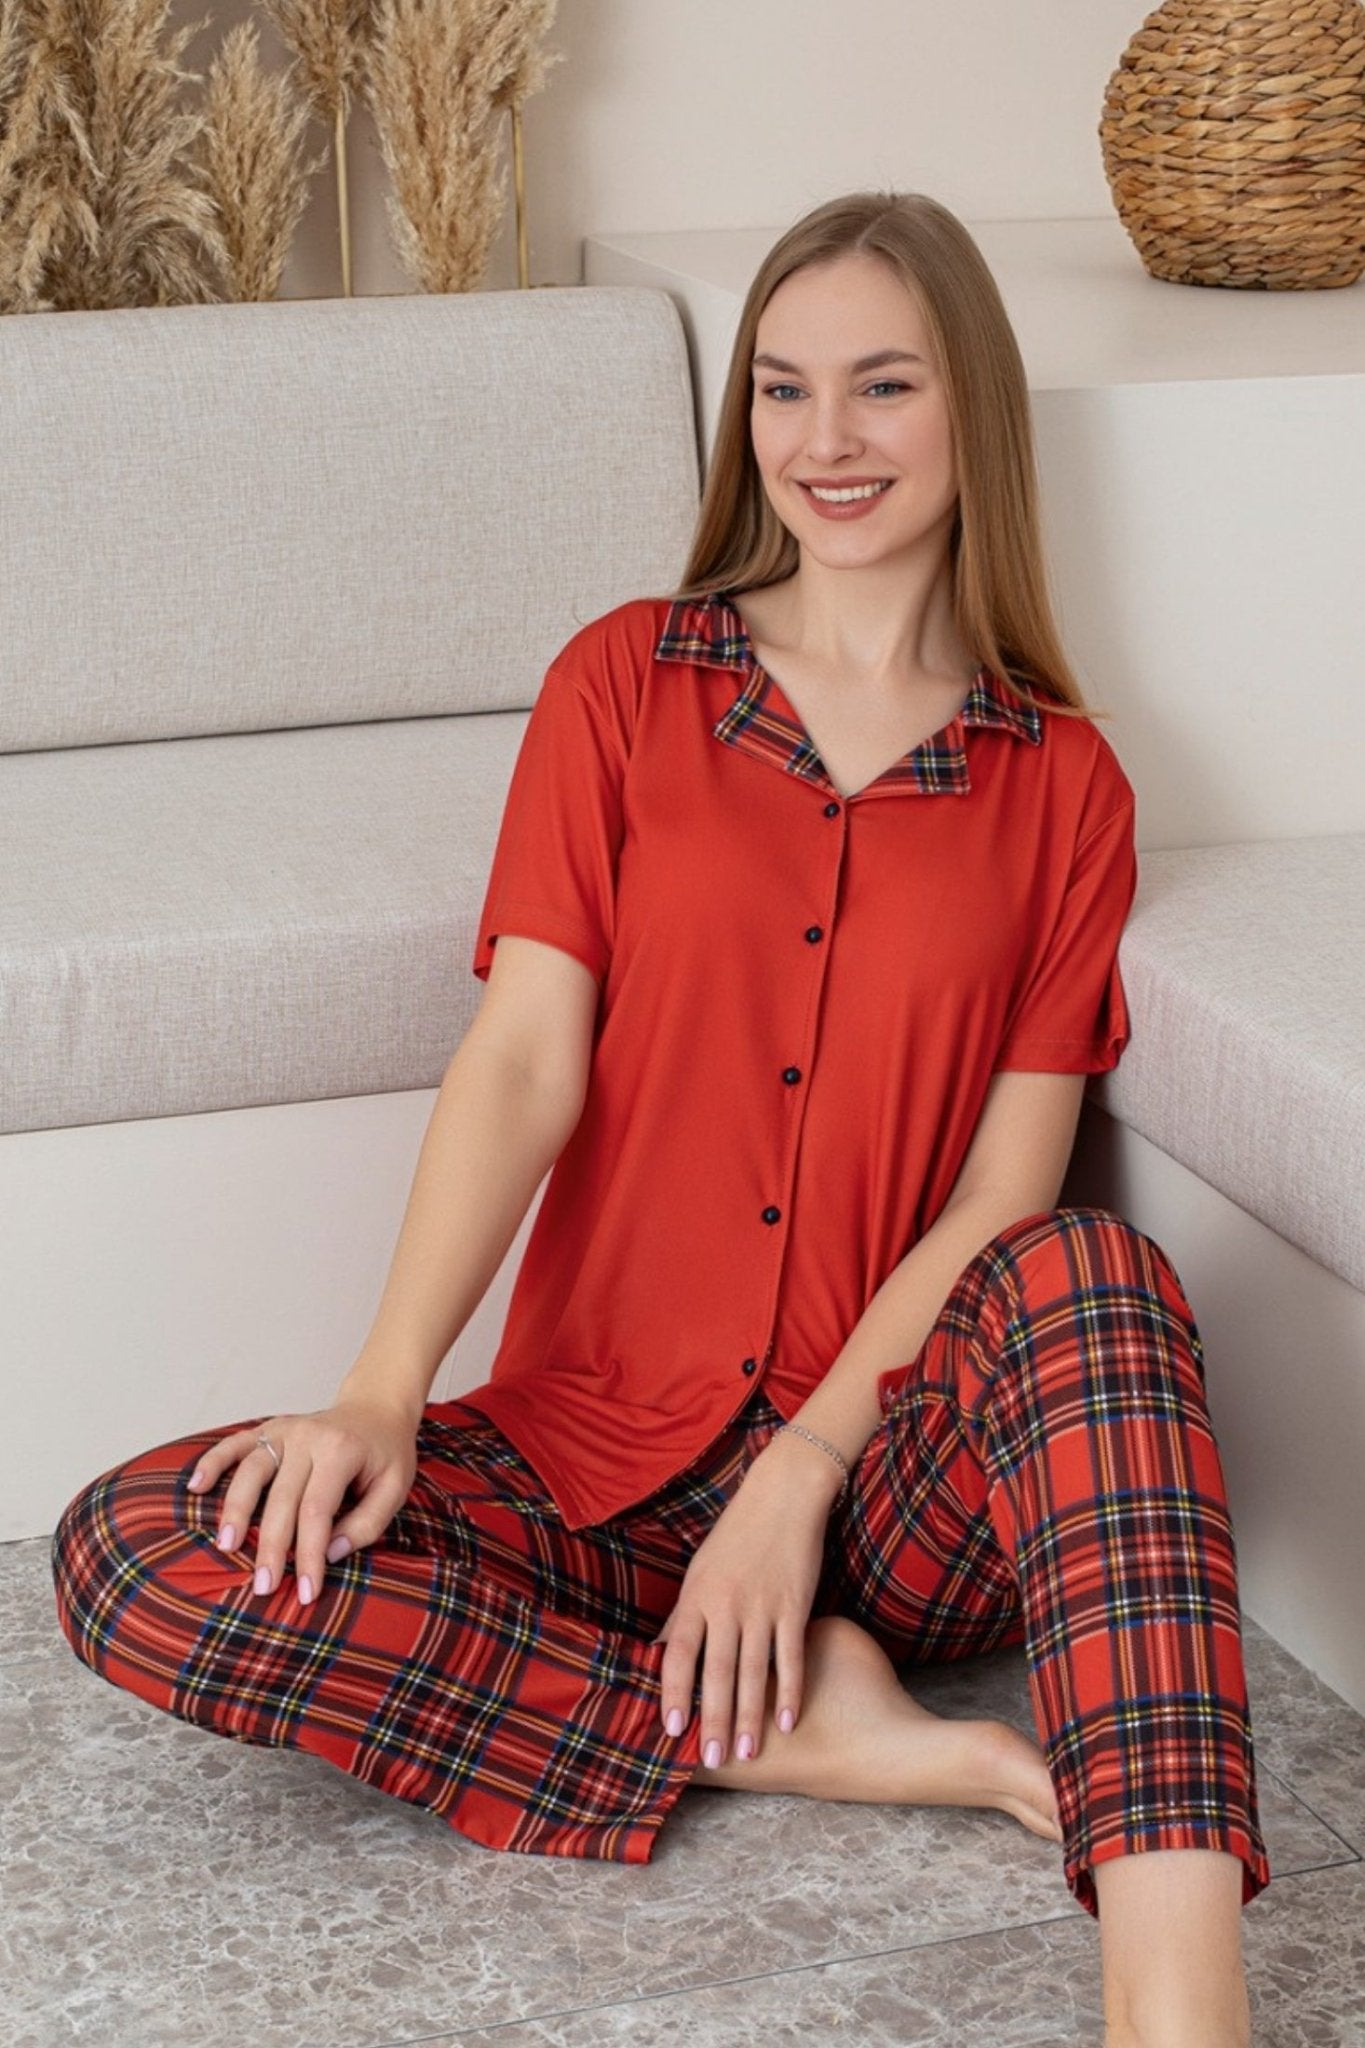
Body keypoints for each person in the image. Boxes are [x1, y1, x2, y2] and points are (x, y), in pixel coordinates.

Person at [52, 192, 1268, 2047]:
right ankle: (805, 1739)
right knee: (146, 1546)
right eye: (782, 389)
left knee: (1090, 1274)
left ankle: (1180, 2009)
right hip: (590, 1467)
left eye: (882, 385)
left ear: (973, 406)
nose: (824, 439)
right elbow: (523, 1063)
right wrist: (381, 1391)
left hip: (884, 1492)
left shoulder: (1063, 783)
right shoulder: (626, 680)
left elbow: (998, 1205)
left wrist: (796, 1480)